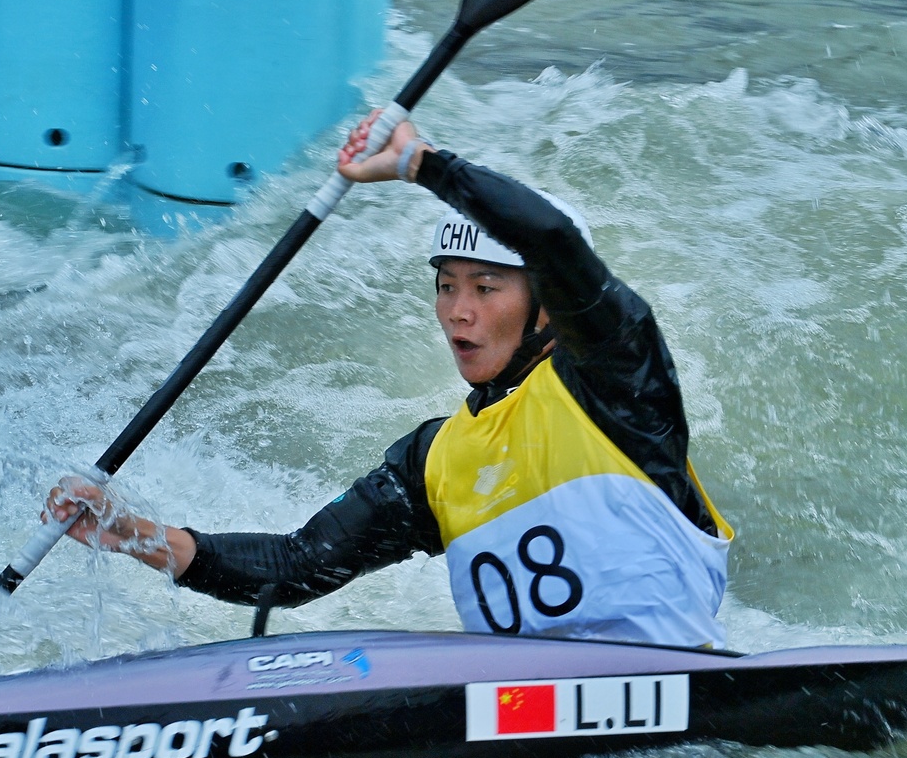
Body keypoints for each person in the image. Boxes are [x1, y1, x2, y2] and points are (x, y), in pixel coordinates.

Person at [45, 112, 733, 647]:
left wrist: (420, 163)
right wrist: (128, 532)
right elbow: (293, 568)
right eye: (446, 287)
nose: (458, 312)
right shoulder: (433, 462)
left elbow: (555, 242)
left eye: (487, 288)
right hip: (523, 717)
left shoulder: (618, 382)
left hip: (678, 692)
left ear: (546, 302)